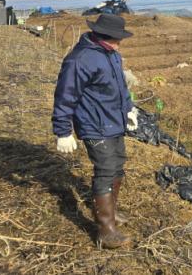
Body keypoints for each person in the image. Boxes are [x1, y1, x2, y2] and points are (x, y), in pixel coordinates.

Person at [52, 14, 139, 249]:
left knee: (117, 165)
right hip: (94, 124)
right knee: (106, 170)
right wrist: (62, 131)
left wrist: (129, 109)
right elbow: (65, 96)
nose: (119, 43)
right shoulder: (80, 60)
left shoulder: (112, 54)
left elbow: (120, 88)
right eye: (116, 39)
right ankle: (105, 230)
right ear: (101, 36)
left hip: (114, 121)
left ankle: (112, 211)